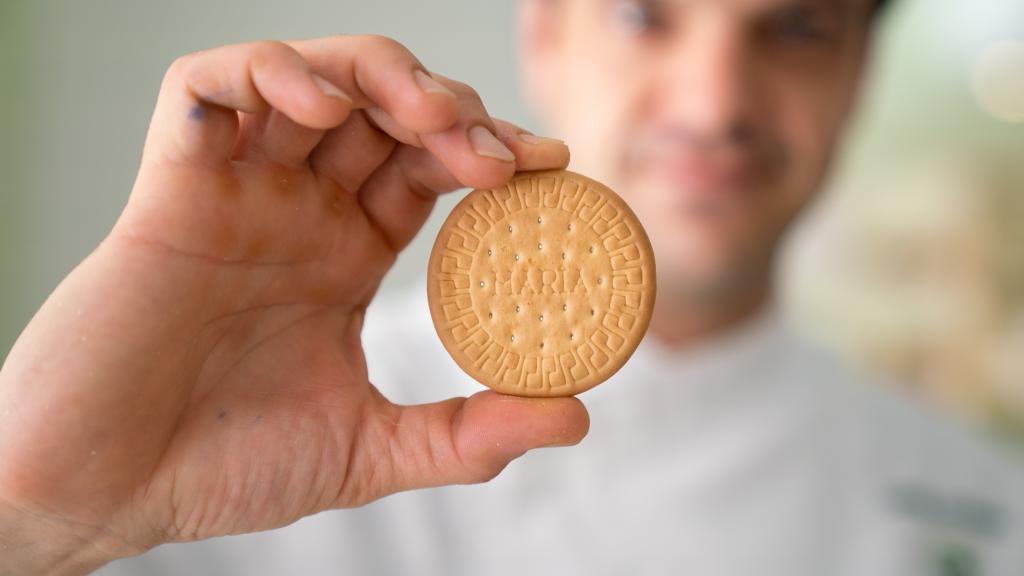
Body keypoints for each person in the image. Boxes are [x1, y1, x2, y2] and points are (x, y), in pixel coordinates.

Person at [0, 0, 1020, 574]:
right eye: (642, 15)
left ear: (858, 75)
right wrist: (41, 518)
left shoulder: (988, 506)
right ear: (545, 39)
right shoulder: (222, 446)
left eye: (795, 29)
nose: (716, 103)